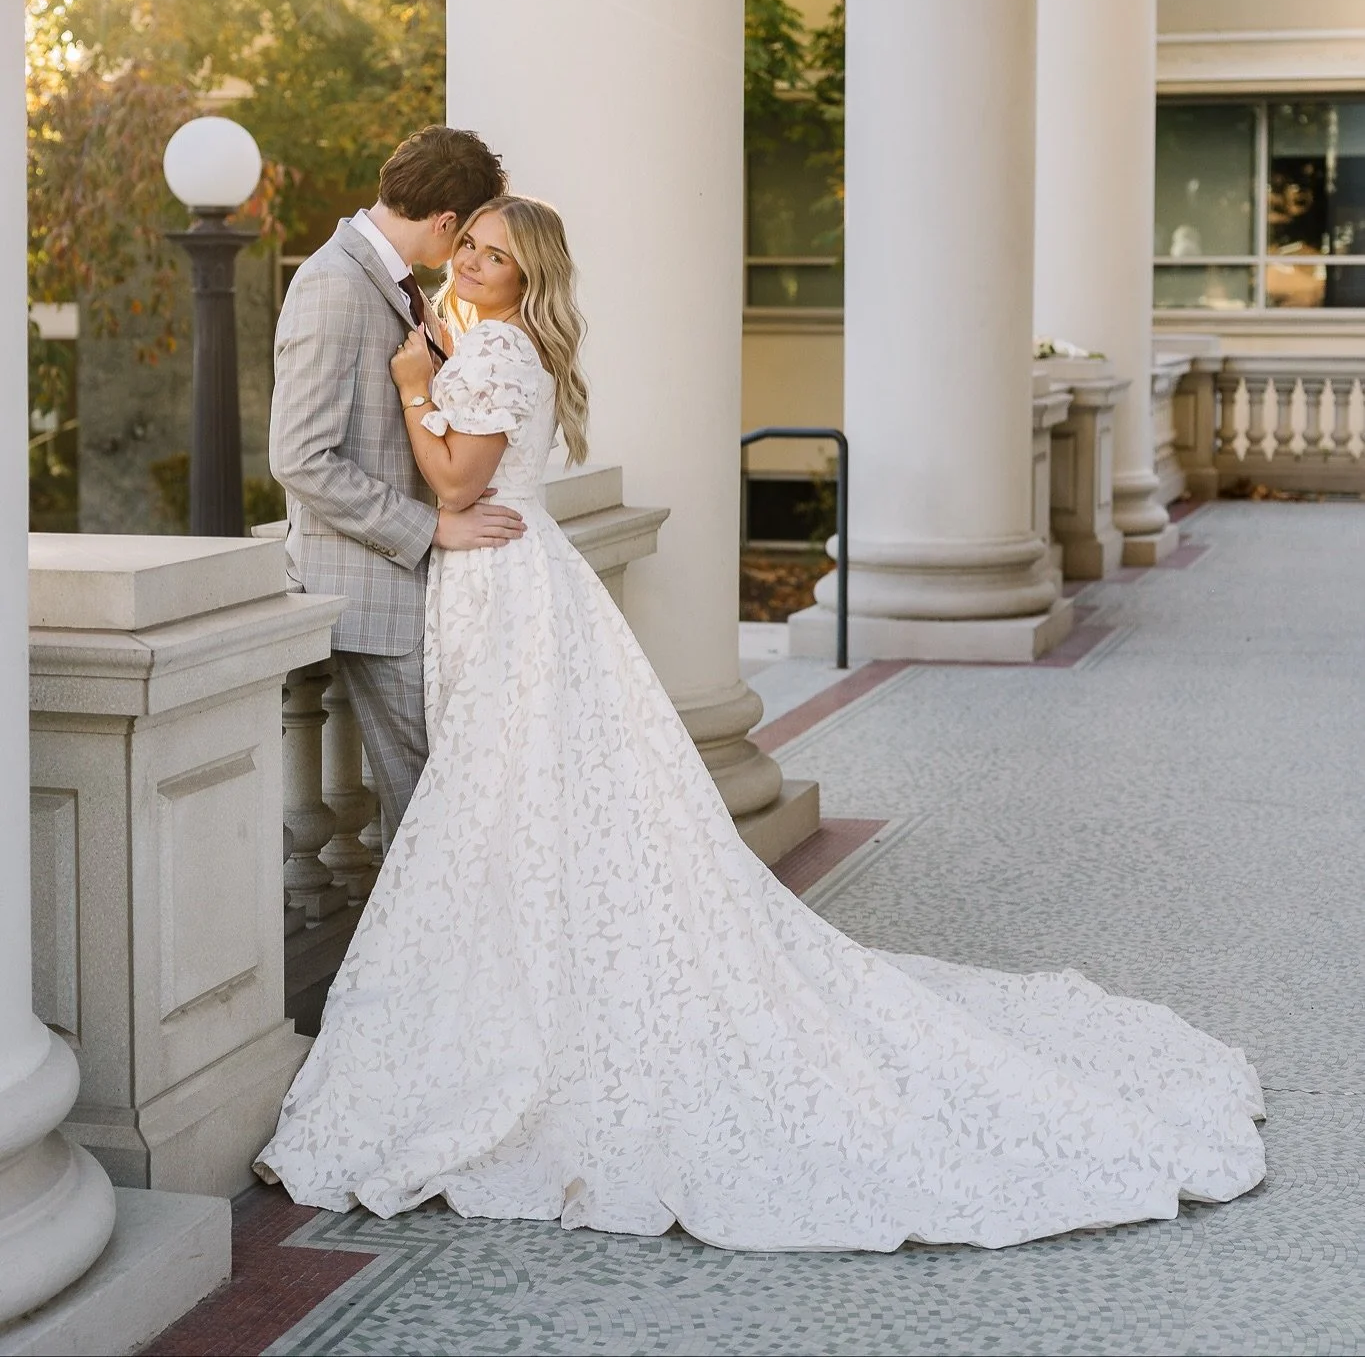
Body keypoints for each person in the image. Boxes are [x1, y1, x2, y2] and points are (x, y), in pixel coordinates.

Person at [257, 195, 1266, 1252]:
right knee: (510, 796)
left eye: (495, 255)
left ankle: (527, 1012)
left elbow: (458, 478)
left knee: (499, 788)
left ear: (528, 276)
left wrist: (417, 389)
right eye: (467, 243)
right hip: (494, 586)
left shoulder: (497, 352)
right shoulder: (488, 337)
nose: (470, 261)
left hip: (503, 584)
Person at [269, 126, 525, 847]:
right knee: (435, 813)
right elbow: (299, 456)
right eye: (468, 234)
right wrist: (431, 529)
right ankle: (444, 959)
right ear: (447, 222)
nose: (467, 250)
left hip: (418, 594)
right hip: (375, 599)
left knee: (449, 800)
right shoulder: (334, 285)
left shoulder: (388, 281)